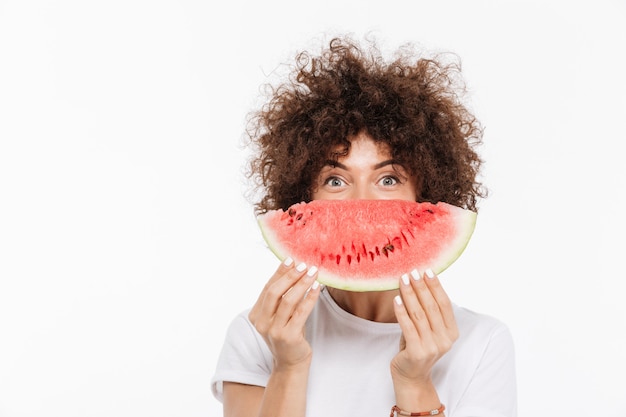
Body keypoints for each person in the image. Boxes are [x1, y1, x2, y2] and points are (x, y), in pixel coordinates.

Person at [211, 35, 517, 417]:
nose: (361, 204)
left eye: (388, 179)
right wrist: (288, 366)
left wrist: (415, 382)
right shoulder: (259, 335)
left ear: (426, 192)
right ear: (301, 197)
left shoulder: (481, 342)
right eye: (335, 180)